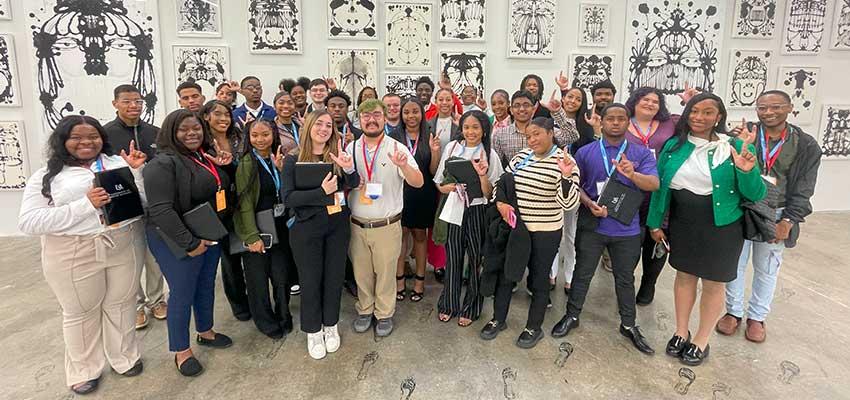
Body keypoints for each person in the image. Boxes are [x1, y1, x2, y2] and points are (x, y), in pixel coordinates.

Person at [18, 116, 148, 395]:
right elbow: (29, 222)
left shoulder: (116, 164)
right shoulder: (47, 176)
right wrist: (85, 205)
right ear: (62, 140)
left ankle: (124, 358)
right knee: (80, 312)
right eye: (77, 137)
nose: (86, 142)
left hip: (124, 240)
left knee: (122, 304)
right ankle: (84, 369)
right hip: (73, 250)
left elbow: (143, 203)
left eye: (93, 136)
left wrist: (137, 174)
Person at [647, 93, 766, 366]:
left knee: (713, 283)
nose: (700, 117)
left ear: (719, 117)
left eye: (708, 112)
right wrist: (655, 222)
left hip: (722, 226)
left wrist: (747, 170)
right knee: (684, 277)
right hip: (683, 222)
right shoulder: (674, 146)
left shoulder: (734, 146)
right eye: (694, 111)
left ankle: (701, 339)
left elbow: (755, 193)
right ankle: (680, 331)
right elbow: (659, 188)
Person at [551, 104, 660, 356]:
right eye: (610, 118)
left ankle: (629, 324)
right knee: (583, 273)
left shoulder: (641, 153)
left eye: (621, 119)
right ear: (601, 122)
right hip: (592, 224)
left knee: (624, 278)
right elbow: (574, 184)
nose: (615, 123)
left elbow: (654, 183)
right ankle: (572, 315)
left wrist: (632, 175)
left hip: (627, 228)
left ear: (627, 123)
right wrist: (589, 203)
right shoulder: (587, 152)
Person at [717, 90, 822, 343]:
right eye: (762, 108)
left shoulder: (806, 144)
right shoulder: (744, 134)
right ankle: (733, 312)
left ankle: (757, 317)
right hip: (742, 207)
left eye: (776, 107)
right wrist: (739, 143)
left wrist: (789, 220)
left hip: (777, 211)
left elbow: (805, 187)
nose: (768, 112)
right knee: (735, 263)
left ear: (790, 108)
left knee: (767, 267)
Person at [144, 109, 236, 377]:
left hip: (207, 230)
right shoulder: (161, 164)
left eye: (196, 128)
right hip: (176, 238)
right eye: (184, 129)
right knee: (182, 293)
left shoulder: (200, 156)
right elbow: (161, 211)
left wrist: (226, 165)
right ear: (171, 132)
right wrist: (189, 243)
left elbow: (218, 187)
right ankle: (181, 351)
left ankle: (205, 331)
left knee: (205, 285)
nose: (192, 133)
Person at [482, 117, 581, 348]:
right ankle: (498, 319)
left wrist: (566, 176)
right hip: (516, 231)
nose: (532, 139)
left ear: (550, 133)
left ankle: (533, 327)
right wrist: (500, 203)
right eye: (529, 136)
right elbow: (500, 184)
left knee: (538, 280)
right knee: (507, 276)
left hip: (544, 233)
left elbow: (569, 204)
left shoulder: (565, 161)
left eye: (537, 134)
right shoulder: (520, 158)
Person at [283, 110, 360, 359]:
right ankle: (313, 331)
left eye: (329, 125)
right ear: (308, 127)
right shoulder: (292, 159)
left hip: (337, 227)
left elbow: (354, 183)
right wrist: (320, 192)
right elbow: (288, 198)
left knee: (334, 278)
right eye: (319, 124)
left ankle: (331, 325)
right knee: (310, 280)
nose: (324, 129)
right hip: (306, 229)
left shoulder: (336, 156)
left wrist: (349, 170)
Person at [347, 99, 424, 338]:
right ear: (359, 120)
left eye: (376, 115)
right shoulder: (350, 149)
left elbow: (418, 182)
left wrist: (405, 166)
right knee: (361, 273)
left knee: (386, 273)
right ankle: (365, 309)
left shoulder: (396, 148)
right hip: (356, 224)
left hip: (387, 225)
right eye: (366, 116)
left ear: (384, 117)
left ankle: (384, 314)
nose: (371, 120)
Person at [103, 84, 167, 329]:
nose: (134, 106)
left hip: (154, 201)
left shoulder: (154, 132)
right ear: (115, 104)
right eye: (127, 101)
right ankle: (137, 304)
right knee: (130, 258)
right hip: (122, 203)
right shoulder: (106, 134)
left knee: (155, 256)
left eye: (138, 101)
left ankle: (157, 300)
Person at [434, 110, 504, 326]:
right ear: (460, 129)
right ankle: (449, 304)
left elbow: (490, 193)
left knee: (475, 260)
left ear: (484, 129)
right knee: (453, 258)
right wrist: (452, 187)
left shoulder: (489, 154)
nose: (470, 131)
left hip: (477, 211)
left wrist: (482, 175)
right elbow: (439, 183)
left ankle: (472, 307)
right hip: (454, 209)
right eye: (466, 127)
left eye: (475, 127)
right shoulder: (452, 148)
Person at [233, 120, 295, 339]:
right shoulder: (247, 163)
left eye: (265, 134)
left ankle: (284, 314)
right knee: (258, 279)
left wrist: (281, 170)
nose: (260, 140)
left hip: (280, 227)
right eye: (255, 135)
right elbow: (244, 203)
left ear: (273, 134)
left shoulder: (278, 158)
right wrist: (251, 236)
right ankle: (266, 323)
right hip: (258, 228)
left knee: (281, 276)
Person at [624, 87, 679, 306]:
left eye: (655, 101)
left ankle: (649, 283)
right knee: (630, 240)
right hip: (631, 188)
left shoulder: (670, 124)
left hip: (660, 190)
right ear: (635, 102)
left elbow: (699, 121)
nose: (650, 104)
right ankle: (626, 282)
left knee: (657, 237)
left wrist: (690, 99)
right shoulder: (623, 120)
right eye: (645, 99)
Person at [200, 100, 251, 320]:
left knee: (248, 252)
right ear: (206, 117)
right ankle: (239, 303)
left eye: (227, 115)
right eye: (218, 114)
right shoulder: (201, 144)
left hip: (243, 201)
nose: (224, 119)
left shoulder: (238, 137)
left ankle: (255, 296)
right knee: (230, 260)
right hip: (218, 207)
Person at [389, 98, 440, 302]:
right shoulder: (393, 137)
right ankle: (399, 280)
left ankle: (419, 281)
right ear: (401, 115)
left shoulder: (430, 135)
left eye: (415, 112)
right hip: (400, 192)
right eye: (407, 112)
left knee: (420, 236)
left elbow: (433, 171)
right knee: (400, 237)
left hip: (423, 192)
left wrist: (435, 152)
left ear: (422, 113)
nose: (411, 116)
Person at [492, 90, 579, 168]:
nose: (522, 109)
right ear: (511, 110)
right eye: (517, 106)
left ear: (533, 109)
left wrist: (557, 112)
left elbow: (572, 136)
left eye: (526, 105)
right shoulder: (500, 135)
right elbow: (496, 165)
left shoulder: (546, 131)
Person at [273, 90, 302, 155]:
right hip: (284, 164)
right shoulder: (271, 128)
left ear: (295, 107)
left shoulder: (303, 125)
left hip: (305, 163)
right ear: (274, 106)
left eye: (290, 103)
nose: (286, 106)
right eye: (281, 103)